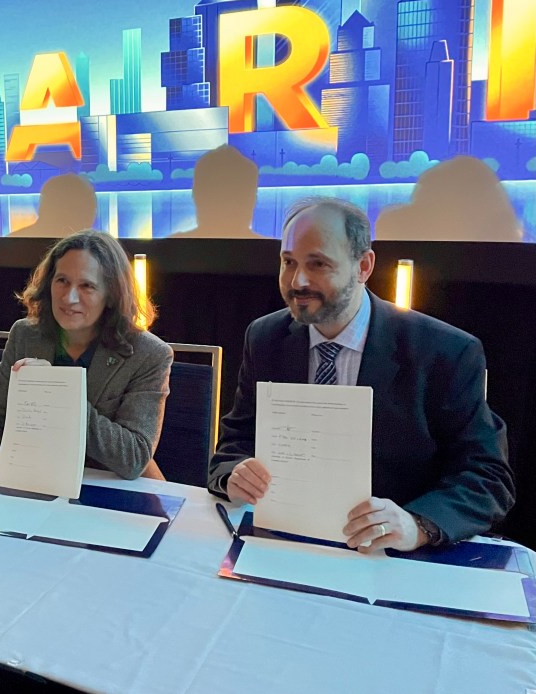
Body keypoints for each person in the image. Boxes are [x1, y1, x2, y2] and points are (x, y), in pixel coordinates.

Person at [208, 197, 515, 550]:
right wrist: (234, 474)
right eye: (288, 262)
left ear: (363, 266)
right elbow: (236, 441)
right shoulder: (265, 337)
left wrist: (417, 525)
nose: (298, 280)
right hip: (284, 542)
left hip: (390, 558)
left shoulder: (444, 352)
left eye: (318, 263)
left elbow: (488, 478)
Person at [0, 229, 173, 483]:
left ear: (111, 295)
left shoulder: (149, 354)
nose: (70, 297)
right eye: (62, 281)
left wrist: (58, 389)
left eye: (87, 286)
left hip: (108, 486)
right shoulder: (25, 334)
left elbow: (133, 457)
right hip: (35, 478)